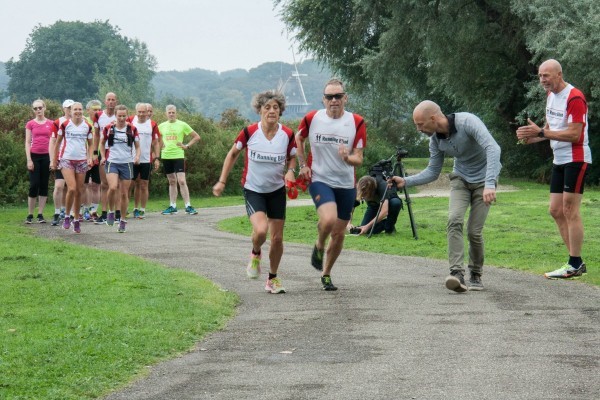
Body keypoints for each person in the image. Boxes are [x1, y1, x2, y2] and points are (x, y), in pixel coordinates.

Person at [390, 100, 501, 292]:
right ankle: (457, 273)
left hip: (484, 180)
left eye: (420, 124)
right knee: (453, 220)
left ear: (433, 118)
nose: (418, 129)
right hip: (460, 179)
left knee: (474, 231)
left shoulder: (467, 122)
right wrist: (406, 181)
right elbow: (433, 171)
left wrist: (490, 184)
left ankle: (475, 273)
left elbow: (493, 148)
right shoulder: (435, 140)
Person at [213, 91, 296, 293]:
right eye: (267, 107)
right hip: (254, 190)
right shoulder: (249, 132)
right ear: (259, 110)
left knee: (277, 239)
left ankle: (272, 279)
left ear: (280, 111)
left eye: (276, 108)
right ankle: (255, 253)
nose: (271, 111)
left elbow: (293, 157)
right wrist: (222, 181)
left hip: (276, 191)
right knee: (260, 231)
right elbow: (232, 154)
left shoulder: (287, 134)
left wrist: (291, 171)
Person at [516, 59, 591, 279]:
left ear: (559, 74)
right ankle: (574, 262)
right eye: (540, 76)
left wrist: (541, 133)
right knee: (555, 210)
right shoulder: (551, 96)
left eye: (546, 75)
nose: (542, 80)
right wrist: (531, 138)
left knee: (569, 210)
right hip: (559, 159)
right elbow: (549, 130)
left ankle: (574, 263)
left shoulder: (574, 97)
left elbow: (574, 135)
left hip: (576, 158)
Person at [296, 78, 367, 291]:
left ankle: (326, 274)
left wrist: (347, 158)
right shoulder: (311, 118)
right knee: (327, 220)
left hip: (346, 184)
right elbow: (299, 139)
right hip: (320, 180)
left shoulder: (356, 122)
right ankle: (319, 245)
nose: (333, 100)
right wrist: (302, 165)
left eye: (338, 96)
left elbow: (359, 158)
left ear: (345, 98)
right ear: (323, 99)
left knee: (338, 233)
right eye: (329, 97)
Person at [51, 102, 94, 234]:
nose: (78, 112)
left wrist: (90, 157)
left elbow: (91, 144)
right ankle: (67, 216)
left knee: (79, 191)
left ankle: (76, 219)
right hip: (66, 160)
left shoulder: (87, 126)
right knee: (72, 188)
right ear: (70, 111)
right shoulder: (64, 125)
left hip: (81, 161)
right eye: (75, 109)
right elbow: (57, 143)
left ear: (83, 111)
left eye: (80, 109)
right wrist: (54, 160)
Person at [100, 104, 141, 233]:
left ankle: (122, 220)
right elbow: (101, 143)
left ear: (127, 115)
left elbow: (138, 146)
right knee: (112, 187)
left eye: (124, 115)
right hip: (112, 161)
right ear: (115, 115)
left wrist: (137, 156)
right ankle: (111, 211)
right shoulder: (109, 128)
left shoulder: (132, 129)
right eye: (119, 116)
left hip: (127, 163)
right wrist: (102, 156)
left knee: (124, 193)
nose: (122, 118)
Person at [158, 105, 200, 215]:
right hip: (166, 156)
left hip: (178, 155)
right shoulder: (161, 126)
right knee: (172, 181)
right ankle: (172, 206)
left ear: (176, 113)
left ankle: (188, 206)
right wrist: (158, 149)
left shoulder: (182, 124)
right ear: (166, 113)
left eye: (173, 112)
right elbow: (158, 140)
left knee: (181, 181)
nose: (171, 114)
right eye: (169, 112)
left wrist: (187, 146)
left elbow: (196, 137)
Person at [24, 99, 54, 224]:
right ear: (33, 110)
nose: (38, 110)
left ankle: (40, 214)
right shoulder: (30, 124)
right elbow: (27, 142)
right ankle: (30, 214)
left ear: (44, 108)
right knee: (33, 185)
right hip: (34, 156)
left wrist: (53, 159)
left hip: (47, 156)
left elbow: (54, 142)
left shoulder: (51, 123)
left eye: (40, 107)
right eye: (35, 108)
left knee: (43, 185)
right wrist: (29, 159)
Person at [130, 103, 161, 219]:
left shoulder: (152, 124)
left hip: (146, 160)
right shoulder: (130, 120)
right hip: (131, 159)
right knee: (130, 185)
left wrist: (157, 158)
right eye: (140, 112)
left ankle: (142, 209)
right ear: (136, 111)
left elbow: (156, 143)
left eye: (145, 112)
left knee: (144, 184)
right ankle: (130, 208)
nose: (142, 114)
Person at [92, 92, 118, 224]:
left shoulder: (120, 115)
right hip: (103, 151)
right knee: (104, 184)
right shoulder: (98, 115)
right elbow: (96, 135)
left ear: (116, 101)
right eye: (109, 100)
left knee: (116, 184)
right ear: (105, 101)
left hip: (117, 152)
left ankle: (117, 212)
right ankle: (103, 212)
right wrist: (94, 152)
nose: (111, 102)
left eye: (113, 100)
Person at [49, 99, 73, 226]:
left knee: (72, 187)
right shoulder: (58, 122)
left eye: (72, 107)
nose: (70, 110)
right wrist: (52, 159)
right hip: (61, 158)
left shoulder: (81, 122)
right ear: (63, 109)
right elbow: (53, 142)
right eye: (68, 108)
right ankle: (57, 213)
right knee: (59, 186)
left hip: (75, 159)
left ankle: (71, 213)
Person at [83, 99, 102, 221]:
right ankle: (83, 210)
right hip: (84, 156)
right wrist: (87, 156)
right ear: (88, 110)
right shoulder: (84, 122)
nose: (97, 112)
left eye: (99, 109)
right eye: (94, 109)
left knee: (96, 185)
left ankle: (94, 211)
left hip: (99, 156)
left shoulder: (102, 121)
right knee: (84, 185)